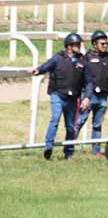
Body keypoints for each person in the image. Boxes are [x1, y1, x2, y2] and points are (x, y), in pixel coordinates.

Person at [30, 32, 93, 160]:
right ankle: (48, 147)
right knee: (55, 119)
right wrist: (37, 70)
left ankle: (69, 152)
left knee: (71, 126)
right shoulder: (58, 58)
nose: (79, 46)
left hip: (73, 99)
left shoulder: (83, 61)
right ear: (69, 46)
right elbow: (46, 66)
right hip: (58, 95)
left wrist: (87, 97)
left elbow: (89, 81)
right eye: (77, 44)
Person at [77, 31, 108, 158]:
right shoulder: (86, 58)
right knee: (80, 121)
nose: (105, 46)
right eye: (102, 43)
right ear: (94, 44)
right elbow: (78, 74)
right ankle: (69, 148)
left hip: (103, 98)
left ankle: (96, 150)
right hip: (88, 96)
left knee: (97, 125)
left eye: (106, 43)